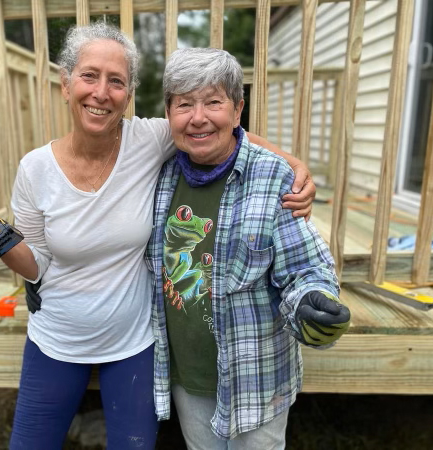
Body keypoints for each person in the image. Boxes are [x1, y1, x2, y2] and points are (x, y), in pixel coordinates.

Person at [0, 23, 316, 450]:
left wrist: (293, 165)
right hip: (56, 338)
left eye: (116, 81)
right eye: (89, 76)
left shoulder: (150, 139)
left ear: (128, 94)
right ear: (66, 85)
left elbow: (227, 133)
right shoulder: (35, 169)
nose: (101, 92)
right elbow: (37, 265)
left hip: (134, 342)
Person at [146, 47, 351, 450]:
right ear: (169, 114)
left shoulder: (273, 175)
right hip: (188, 377)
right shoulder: (161, 172)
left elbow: (303, 268)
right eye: (185, 104)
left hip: (255, 377)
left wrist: (314, 298)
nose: (199, 117)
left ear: (238, 111)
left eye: (214, 102)